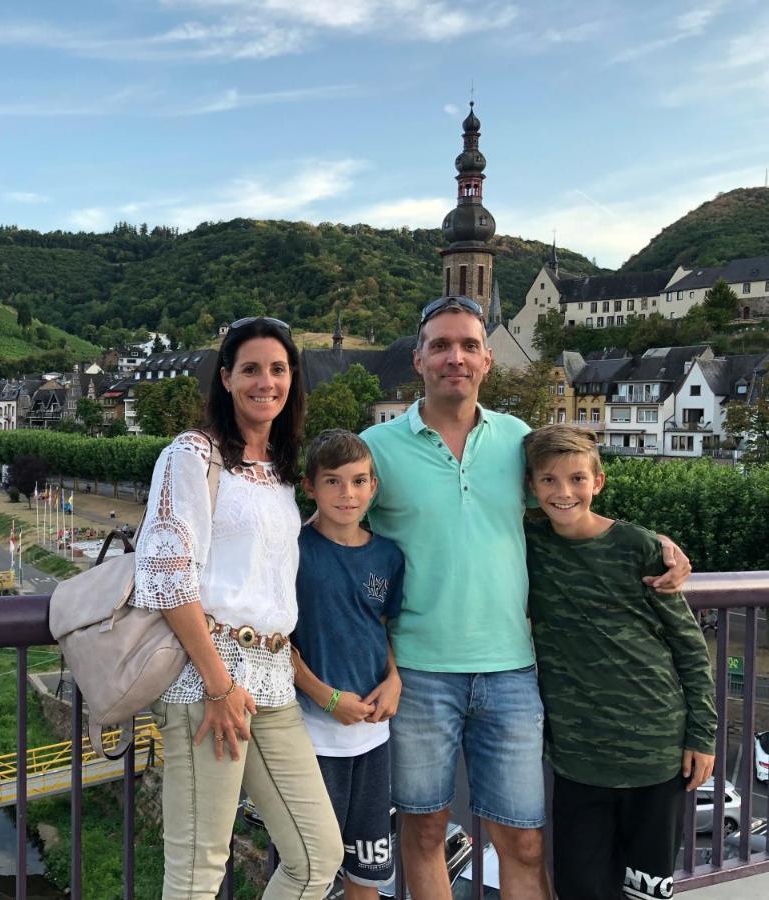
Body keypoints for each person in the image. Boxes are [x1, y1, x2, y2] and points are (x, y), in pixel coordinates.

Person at [360, 295, 692, 900]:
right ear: (419, 359)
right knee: (425, 831)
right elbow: (334, 533)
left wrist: (653, 543)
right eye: (440, 345)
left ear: (487, 359)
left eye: (467, 345)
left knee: (525, 843)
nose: (454, 357)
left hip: (512, 672)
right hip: (415, 671)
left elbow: (566, 503)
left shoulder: (518, 441)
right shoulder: (377, 448)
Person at [132, 317, 343, 899]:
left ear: (292, 380)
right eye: (250, 368)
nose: (265, 381)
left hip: (274, 683)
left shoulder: (279, 471)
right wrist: (219, 686)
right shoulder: (193, 455)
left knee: (317, 855)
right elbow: (167, 576)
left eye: (278, 369)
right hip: (209, 682)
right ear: (226, 378)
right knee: (199, 870)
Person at [522, 424, 716, 900]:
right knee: (581, 889)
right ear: (531, 487)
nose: (563, 492)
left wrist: (703, 734)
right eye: (548, 480)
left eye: (576, 479)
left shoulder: (639, 548)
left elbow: (688, 645)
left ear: (599, 482)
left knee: (645, 891)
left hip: (655, 750)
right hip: (578, 760)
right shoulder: (527, 538)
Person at [292, 430, 404, 899]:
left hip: (373, 739)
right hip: (309, 738)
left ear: (373, 486)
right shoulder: (292, 551)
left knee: (367, 873)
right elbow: (277, 643)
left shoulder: (388, 555)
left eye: (359, 481)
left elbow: (380, 625)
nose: (348, 494)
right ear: (309, 486)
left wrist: (394, 679)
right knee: (308, 873)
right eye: (333, 482)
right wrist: (325, 696)